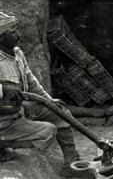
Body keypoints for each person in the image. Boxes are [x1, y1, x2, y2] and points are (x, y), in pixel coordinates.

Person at [0, 12, 80, 176]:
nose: (18, 34)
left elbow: (31, 82)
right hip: (3, 120)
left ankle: (72, 163)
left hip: (20, 109)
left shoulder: (17, 54)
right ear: (0, 37)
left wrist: (50, 101)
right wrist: (3, 89)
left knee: (61, 112)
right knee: (47, 132)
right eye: (12, 31)